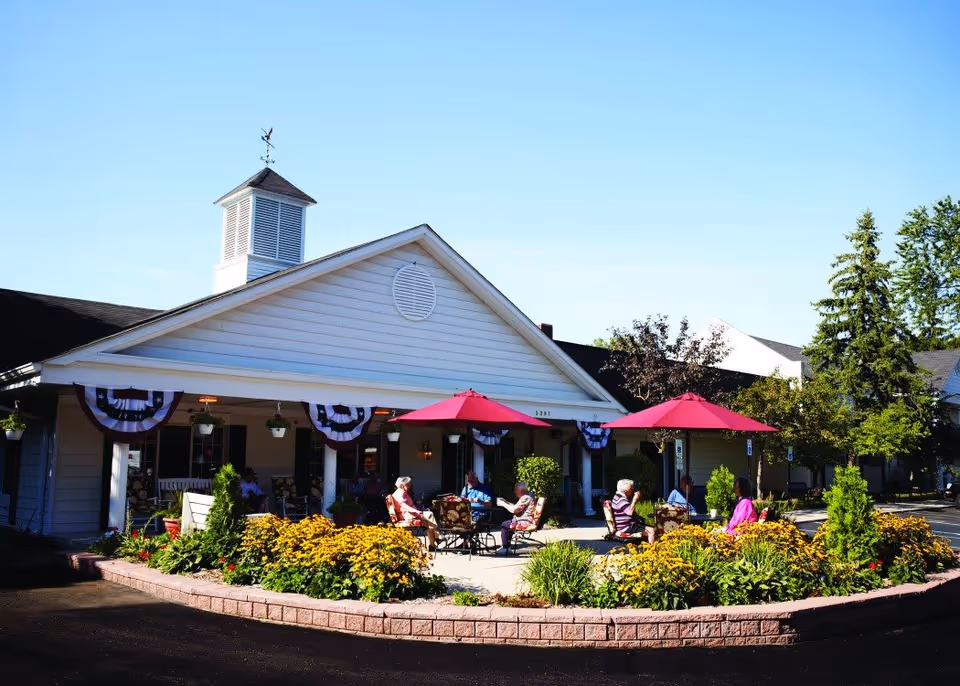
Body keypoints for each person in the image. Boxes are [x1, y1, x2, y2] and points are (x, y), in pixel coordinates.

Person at [392, 476, 440, 550]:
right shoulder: (400, 493)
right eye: (408, 484)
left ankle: (433, 545)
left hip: (409, 514)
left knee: (428, 521)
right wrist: (417, 511)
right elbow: (404, 506)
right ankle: (437, 537)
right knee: (430, 515)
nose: (410, 486)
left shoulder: (402, 492)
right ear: (403, 485)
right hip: (407, 516)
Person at [495, 482, 536, 555]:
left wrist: (503, 504)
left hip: (524, 521)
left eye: (516, 490)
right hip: (525, 519)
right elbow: (517, 507)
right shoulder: (529, 496)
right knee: (508, 524)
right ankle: (507, 547)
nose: (514, 491)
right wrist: (507, 502)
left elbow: (514, 510)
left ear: (522, 490)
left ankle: (505, 547)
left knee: (504, 525)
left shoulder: (525, 497)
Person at [611, 478, 655, 543]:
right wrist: (634, 499)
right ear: (626, 488)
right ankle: (652, 551)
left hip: (628, 525)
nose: (632, 489)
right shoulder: (621, 499)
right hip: (626, 526)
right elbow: (630, 512)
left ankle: (646, 546)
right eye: (631, 487)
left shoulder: (618, 497)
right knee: (651, 530)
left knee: (650, 528)